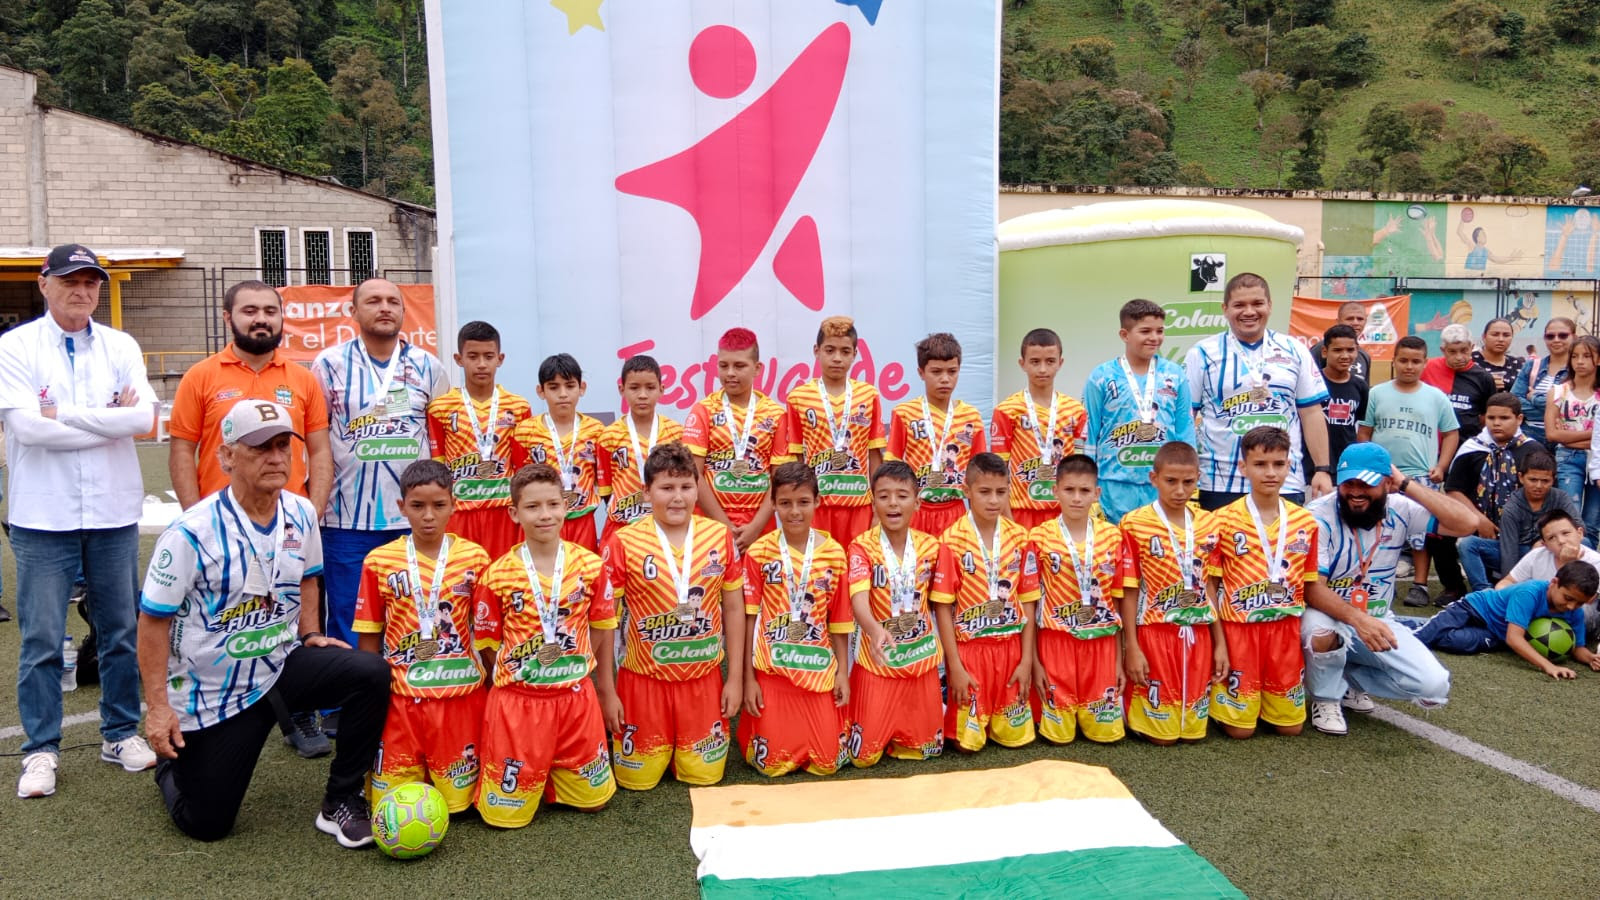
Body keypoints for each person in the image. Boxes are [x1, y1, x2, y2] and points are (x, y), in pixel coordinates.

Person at [138, 400, 390, 845]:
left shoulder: (299, 512)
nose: (276, 458)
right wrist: (158, 708)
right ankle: (170, 767)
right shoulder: (190, 532)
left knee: (369, 673)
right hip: (215, 690)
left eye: (281, 446)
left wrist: (310, 633)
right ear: (227, 457)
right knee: (207, 824)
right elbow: (153, 622)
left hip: (278, 667)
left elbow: (310, 577)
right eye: (260, 448)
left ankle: (341, 799)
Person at [4, 244, 159, 799]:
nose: (83, 290)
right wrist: (108, 421)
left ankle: (119, 733)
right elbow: (28, 431)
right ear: (44, 284)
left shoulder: (121, 344)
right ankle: (41, 749)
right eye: (71, 280)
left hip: (113, 511)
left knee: (121, 632)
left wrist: (65, 414)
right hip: (42, 514)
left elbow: (143, 418)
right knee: (42, 638)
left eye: (92, 282)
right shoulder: (17, 346)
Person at [471, 463, 617, 827]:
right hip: (519, 705)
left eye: (552, 504)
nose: (545, 515)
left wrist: (580, 669)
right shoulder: (497, 575)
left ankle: (557, 771)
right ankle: (534, 771)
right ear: (514, 512)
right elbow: (489, 647)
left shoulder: (591, 566)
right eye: (533, 507)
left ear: (566, 505)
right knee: (505, 819)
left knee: (593, 804)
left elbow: (599, 630)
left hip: (574, 699)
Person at [313, 278, 451, 652]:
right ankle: (348, 704)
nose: (385, 307)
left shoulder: (429, 366)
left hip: (413, 518)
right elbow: (316, 438)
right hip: (346, 519)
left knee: (416, 612)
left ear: (405, 313)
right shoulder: (328, 365)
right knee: (348, 616)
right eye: (373, 301)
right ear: (353, 311)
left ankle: (408, 694)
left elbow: (442, 436)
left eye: (393, 301)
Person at [1301, 443, 1477, 736]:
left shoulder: (1401, 508)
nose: (1356, 493)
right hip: (1326, 615)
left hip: (1378, 617)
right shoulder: (1318, 515)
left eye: (1366, 484)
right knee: (1320, 634)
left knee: (1433, 686)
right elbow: (1312, 590)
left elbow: (1468, 523)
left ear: (1387, 481)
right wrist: (1359, 619)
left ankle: (1349, 681)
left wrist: (1408, 485)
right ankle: (1325, 697)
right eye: (1349, 483)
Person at [601, 442, 745, 789]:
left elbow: (734, 607)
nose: (677, 497)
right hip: (642, 685)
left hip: (703, 683)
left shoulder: (719, 535)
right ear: (647, 492)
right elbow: (605, 621)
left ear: (698, 487)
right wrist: (607, 689)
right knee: (636, 781)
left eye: (685, 486)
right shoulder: (623, 542)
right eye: (666, 488)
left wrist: (735, 678)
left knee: (705, 778)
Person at [354, 460, 491, 813]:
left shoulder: (475, 558)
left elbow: (488, 632)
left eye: (438, 505)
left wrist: (492, 684)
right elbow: (369, 637)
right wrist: (372, 695)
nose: (428, 516)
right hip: (403, 699)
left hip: (461, 696)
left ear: (453, 504)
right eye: (417, 506)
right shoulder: (379, 561)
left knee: (459, 806)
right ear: (401, 507)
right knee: (391, 804)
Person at [168, 279, 332, 512]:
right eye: (250, 311)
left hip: (288, 521)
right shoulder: (199, 376)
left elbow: (320, 451)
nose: (262, 319)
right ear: (227, 318)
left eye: (270, 311)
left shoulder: (303, 379)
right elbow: (182, 451)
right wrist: (195, 518)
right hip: (220, 517)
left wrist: (313, 513)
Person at [739, 462, 853, 777]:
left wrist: (843, 673)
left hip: (817, 669)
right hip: (773, 671)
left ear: (818, 501)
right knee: (771, 766)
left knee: (828, 763)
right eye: (785, 503)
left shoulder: (835, 554)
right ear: (773, 503)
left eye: (803, 502)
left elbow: (840, 622)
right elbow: (749, 620)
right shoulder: (759, 552)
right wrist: (750, 679)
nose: (794, 512)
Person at [1205, 426, 1318, 739]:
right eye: (1260, 464)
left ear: (1290, 465)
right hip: (1238, 630)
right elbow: (1210, 587)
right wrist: (1219, 642)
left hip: (1283, 632)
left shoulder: (1305, 522)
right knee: (1240, 732)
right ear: (1243, 467)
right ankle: (1225, 702)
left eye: (1278, 464)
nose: (1270, 473)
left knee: (1291, 728)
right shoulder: (1222, 520)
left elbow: (1309, 583)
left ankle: (1270, 698)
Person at [1185, 273, 1333, 510]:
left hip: (1284, 481)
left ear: (1270, 306)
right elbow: (1186, 417)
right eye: (1239, 305)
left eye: (1257, 303)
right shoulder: (1202, 353)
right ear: (1225, 309)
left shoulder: (1294, 349)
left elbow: (1311, 413)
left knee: (1282, 546)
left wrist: (1322, 469)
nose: (1249, 312)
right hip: (1220, 482)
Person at [1119, 442, 1227, 746]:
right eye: (1171, 481)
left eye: (1188, 482)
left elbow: (1209, 586)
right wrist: (1132, 645)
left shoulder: (1209, 523)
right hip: (1155, 633)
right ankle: (1132, 714)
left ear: (1198, 480)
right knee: (1161, 738)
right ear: (1154, 478)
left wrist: (1219, 643)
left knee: (1192, 736)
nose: (1180, 490)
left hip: (1198, 635)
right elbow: (1128, 589)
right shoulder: (1134, 523)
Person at [930, 452, 1038, 752]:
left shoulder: (1020, 538)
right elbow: (943, 608)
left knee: (1017, 742)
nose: (993, 500)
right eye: (984, 492)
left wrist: (1026, 659)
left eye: (1000, 492)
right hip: (970, 652)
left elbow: (1028, 603)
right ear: (967, 491)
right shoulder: (950, 541)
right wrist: (955, 666)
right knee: (966, 746)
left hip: (1010, 650)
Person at [845, 461, 944, 767]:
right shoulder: (861, 547)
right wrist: (874, 630)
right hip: (879, 662)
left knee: (928, 750)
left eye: (902, 495)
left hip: (920, 660)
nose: (893, 503)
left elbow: (942, 606)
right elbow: (858, 600)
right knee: (862, 757)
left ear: (917, 501)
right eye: (884, 496)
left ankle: (932, 703)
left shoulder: (933, 547)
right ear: (872, 500)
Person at [1027, 454, 1127, 745]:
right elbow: (1030, 605)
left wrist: (1118, 662)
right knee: (1059, 738)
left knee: (1105, 737)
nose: (1076, 498)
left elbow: (1118, 602)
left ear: (1097, 494)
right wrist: (1035, 662)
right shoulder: (1038, 537)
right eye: (1069, 490)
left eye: (1085, 491)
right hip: (1056, 644)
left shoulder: (1113, 537)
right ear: (1055, 491)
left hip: (1102, 646)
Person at [1359, 335, 1460, 608]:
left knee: (1421, 536)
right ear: (1394, 361)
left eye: (1416, 361)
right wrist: (1368, 465)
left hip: (1419, 477)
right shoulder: (1377, 393)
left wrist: (1442, 465)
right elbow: (1365, 432)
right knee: (1378, 530)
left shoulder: (1436, 397)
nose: (1409, 366)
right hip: (1381, 476)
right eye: (1403, 360)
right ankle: (1379, 583)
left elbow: (1451, 433)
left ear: (1425, 363)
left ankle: (1420, 585)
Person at [426, 321, 532, 559]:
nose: (482, 364)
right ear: (458, 358)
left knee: (504, 577)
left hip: (504, 513)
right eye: (473, 356)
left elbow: (523, 469)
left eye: (489, 356)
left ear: (500, 358)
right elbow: (437, 467)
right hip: (460, 513)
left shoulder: (518, 407)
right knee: (462, 579)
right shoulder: (440, 409)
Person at [1084, 300, 1195, 524]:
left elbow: (1185, 431)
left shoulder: (1175, 375)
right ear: (1124, 334)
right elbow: (1089, 433)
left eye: (1160, 331)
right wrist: (1087, 484)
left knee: (1160, 550)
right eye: (1145, 331)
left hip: (1163, 484)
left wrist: (1191, 480)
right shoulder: (1102, 376)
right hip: (1114, 484)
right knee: (1117, 550)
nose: (1154, 337)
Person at [781, 316, 885, 546]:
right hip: (818, 506)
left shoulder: (869, 395)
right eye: (830, 350)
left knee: (857, 571)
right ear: (816, 351)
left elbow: (874, 455)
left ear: (855, 354)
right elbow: (795, 458)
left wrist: (878, 509)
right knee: (821, 571)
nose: (837, 358)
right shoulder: (798, 397)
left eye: (845, 351)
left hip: (859, 504)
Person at [683, 328, 785, 554]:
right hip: (710, 525)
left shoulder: (776, 414)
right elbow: (693, 474)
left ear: (757, 369)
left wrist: (756, 527)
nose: (730, 373)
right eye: (723, 365)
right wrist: (724, 525)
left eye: (739, 366)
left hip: (760, 527)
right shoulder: (703, 411)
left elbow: (780, 478)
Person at [1438, 393, 1542, 606]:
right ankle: (1457, 588)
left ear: (1519, 419)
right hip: (1475, 522)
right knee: (1436, 532)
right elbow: (1454, 491)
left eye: (1504, 418)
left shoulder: (1533, 451)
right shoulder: (1472, 448)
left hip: (1522, 533)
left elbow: (1546, 494)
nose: (1496, 423)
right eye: (1491, 418)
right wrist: (1479, 520)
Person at [1415, 561, 1600, 679]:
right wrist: (1548, 666)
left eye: (1579, 603)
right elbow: (1515, 638)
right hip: (1474, 609)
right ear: (1554, 583)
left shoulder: (1575, 611)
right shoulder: (1530, 592)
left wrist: (1590, 658)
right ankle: (1405, 626)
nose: (1571, 607)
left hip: (1495, 634)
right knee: (1424, 637)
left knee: (1458, 643)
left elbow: (1578, 648)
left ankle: (1414, 624)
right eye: (1568, 598)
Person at [887, 333, 987, 535]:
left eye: (952, 371)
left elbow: (979, 474)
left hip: (955, 510)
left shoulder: (971, 416)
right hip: (916, 510)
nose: (944, 379)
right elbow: (891, 468)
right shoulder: (904, 413)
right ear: (921, 372)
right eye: (936, 371)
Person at [991, 328, 1087, 528]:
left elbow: (1081, 466)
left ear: (1060, 363)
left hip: (1063, 511)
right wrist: (1007, 516)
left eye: (1050, 361)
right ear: (1022, 364)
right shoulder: (1007, 410)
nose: (1042, 369)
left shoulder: (1075, 411)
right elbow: (998, 470)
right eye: (1035, 362)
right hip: (1020, 512)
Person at [512, 354, 605, 552]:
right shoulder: (525, 431)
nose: (563, 394)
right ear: (541, 391)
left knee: (582, 575)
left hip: (582, 520)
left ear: (582, 388)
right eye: (554, 387)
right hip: (543, 521)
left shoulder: (597, 431)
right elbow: (520, 484)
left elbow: (603, 481)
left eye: (570, 386)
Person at [1457, 450, 1579, 592]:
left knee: (1584, 543)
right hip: (1519, 553)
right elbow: (1509, 552)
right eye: (1533, 480)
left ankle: (1571, 586)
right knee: (1467, 544)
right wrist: (1508, 587)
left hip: (1552, 550)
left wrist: (1546, 542)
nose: (1539, 486)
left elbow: (1579, 528)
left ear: (1553, 479)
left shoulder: (1561, 497)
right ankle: (1485, 593)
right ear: (1521, 477)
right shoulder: (1512, 507)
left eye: (1545, 481)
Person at [597, 355, 682, 543]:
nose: (642, 395)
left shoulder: (676, 433)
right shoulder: (608, 437)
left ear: (661, 389)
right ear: (622, 390)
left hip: (665, 526)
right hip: (623, 524)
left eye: (650, 388)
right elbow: (606, 491)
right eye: (634, 388)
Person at [1495, 510, 1600, 636]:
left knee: (1584, 614)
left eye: (1566, 533)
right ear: (1545, 544)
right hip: (1539, 608)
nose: (1561, 541)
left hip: (1574, 611)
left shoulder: (1596, 561)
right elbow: (1506, 582)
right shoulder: (1536, 556)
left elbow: (1587, 600)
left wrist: (1568, 563)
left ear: (1579, 533)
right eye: (1552, 538)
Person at [1549, 335, 1600, 546]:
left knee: (1593, 520)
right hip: (1567, 459)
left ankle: (1591, 571)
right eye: (1575, 356)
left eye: (1587, 356)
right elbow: (1552, 434)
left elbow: (1563, 436)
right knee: (1571, 516)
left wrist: (1569, 437)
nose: (1580, 361)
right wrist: (1595, 436)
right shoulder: (1559, 391)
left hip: (1597, 459)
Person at [1422, 324, 1495, 442]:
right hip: (1430, 442)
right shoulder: (1426, 368)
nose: (1459, 357)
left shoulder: (1483, 378)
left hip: (1467, 445)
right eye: (1452, 352)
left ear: (1472, 348)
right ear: (1443, 350)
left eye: (1464, 350)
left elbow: (1487, 416)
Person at [1510, 317, 1574, 449]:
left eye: (1563, 335)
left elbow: (1573, 406)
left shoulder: (1579, 370)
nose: (1556, 340)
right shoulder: (1531, 365)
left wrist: (1534, 398)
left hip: (1565, 439)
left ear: (1574, 337)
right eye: (1550, 336)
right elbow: (1514, 401)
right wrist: (1553, 410)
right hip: (1529, 435)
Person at [1309, 300, 1374, 382]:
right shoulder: (1322, 349)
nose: (1355, 323)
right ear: (1338, 321)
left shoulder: (1364, 356)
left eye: (1360, 319)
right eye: (1350, 319)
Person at [1471, 317, 1524, 394]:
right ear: (1484, 337)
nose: (1501, 339)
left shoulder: (1518, 365)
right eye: (1495, 334)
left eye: (1506, 335)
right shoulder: (1470, 361)